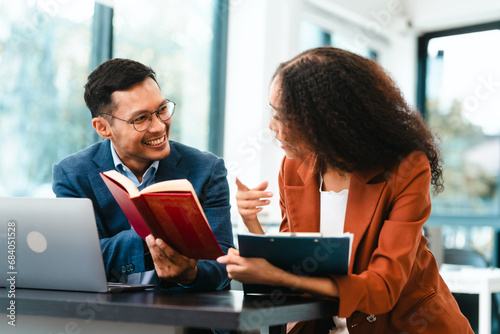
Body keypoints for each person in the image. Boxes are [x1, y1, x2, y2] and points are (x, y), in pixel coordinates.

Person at [217, 47, 473, 333]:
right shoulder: (293, 168)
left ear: (327, 119)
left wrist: (280, 277)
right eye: (273, 113)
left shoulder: (407, 168)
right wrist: (251, 221)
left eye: (284, 116)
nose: (273, 126)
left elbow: (382, 289)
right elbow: (295, 264)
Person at [53, 58, 234, 291]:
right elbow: (79, 257)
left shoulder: (206, 170)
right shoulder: (73, 174)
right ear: (103, 128)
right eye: (141, 119)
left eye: (162, 110)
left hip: (184, 318)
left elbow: (224, 265)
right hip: (104, 318)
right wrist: (158, 236)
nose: (159, 127)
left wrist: (192, 274)